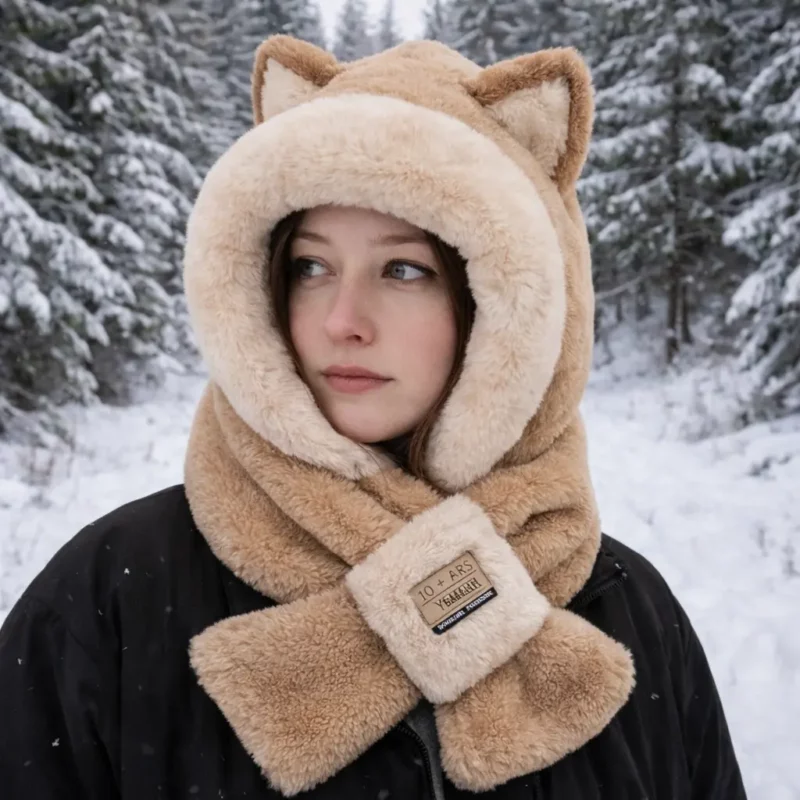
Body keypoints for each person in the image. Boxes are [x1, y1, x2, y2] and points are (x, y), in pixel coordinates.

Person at [0, 35, 747, 800]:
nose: (341, 321)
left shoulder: (626, 611)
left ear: (505, 309)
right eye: (311, 267)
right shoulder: (112, 602)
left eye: (403, 270)